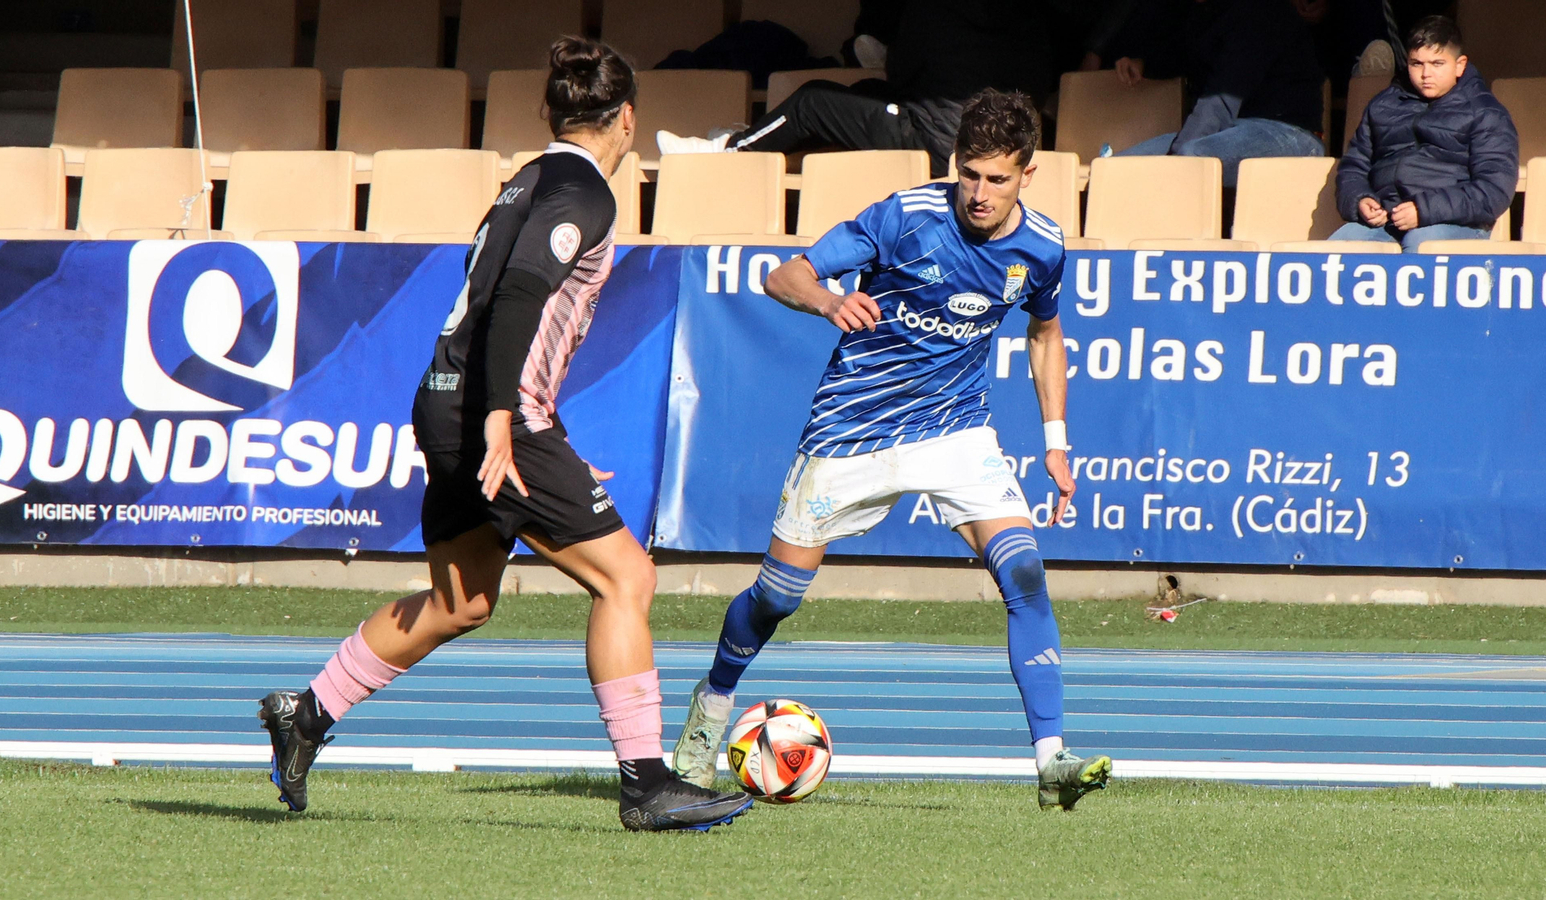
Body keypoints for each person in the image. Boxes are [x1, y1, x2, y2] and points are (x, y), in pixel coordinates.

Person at [256, 37, 754, 834]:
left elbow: (494, 302)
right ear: (626, 120)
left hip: (449, 400)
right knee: (627, 579)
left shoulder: (522, 182)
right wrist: (507, 422)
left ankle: (307, 712)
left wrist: (529, 427)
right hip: (493, 415)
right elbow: (520, 298)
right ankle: (646, 784)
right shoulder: (583, 192)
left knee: (463, 602)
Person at [669, 89, 1113, 811]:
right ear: (954, 163)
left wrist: (1056, 443)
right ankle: (712, 706)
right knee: (777, 599)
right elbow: (784, 273)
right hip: (851, 429)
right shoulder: (906, 216)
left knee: (1024, 571)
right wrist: (827, 300)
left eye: (997, 178)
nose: (979, 192)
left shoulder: (1045, 246)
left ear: (1027, 175)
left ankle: (1051, 758)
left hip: (955, 428)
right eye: (969, 173)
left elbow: (1045, 334)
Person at [656, 0, 1055, 178]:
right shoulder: (1027, 14)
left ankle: (728, 152)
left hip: (937, 143)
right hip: (990, 143)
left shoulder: (932, 10)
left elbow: (902, 72)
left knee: (811, 101)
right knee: (863, 89)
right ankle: (756, 137)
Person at [1329, 16, 1518, 252]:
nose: (1426, 73)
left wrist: (1424, 210)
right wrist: (1360, 200)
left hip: (1454, 222)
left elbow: (1493, 190)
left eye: (1437, 64)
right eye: (1416, 64)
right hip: (1385, 221)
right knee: (1337, 249)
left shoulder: (1485, 112)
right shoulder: (1382, 105)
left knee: (1421, 246)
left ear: (1460, 65)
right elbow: (1354, 166)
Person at [1109, 0, 1326, 185]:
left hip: (1291, 134)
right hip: (1230, 130)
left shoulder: (1261, 10)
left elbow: (1221, 99)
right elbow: (1183, 55)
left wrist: (1173, 159)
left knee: (1190, 159)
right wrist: (1144, 63)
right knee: (1119, 167)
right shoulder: (1207, 12)